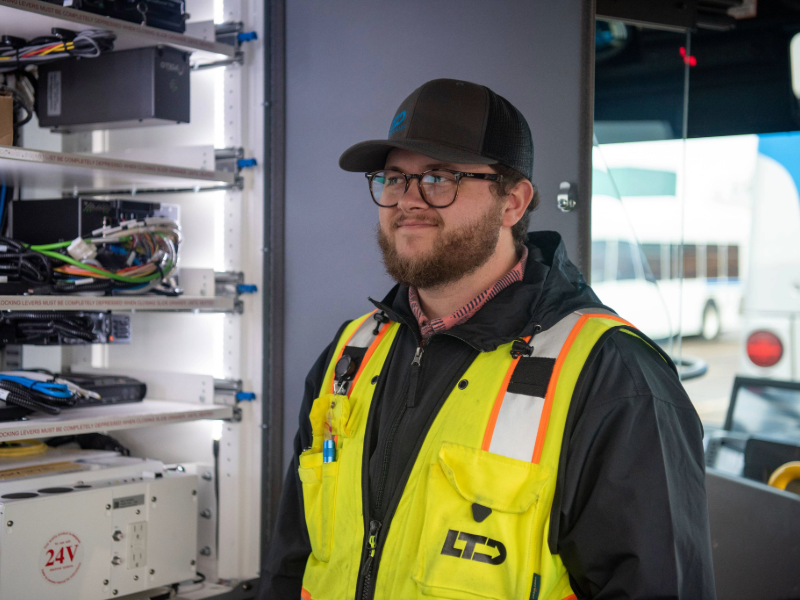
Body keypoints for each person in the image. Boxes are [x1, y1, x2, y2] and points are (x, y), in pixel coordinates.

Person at [259, 78, 716, 600]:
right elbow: (292, 559)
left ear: (513, 202)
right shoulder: (350, 353)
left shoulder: (613, 377)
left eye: (439, 178)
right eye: (393, 177)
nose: (408, 200)